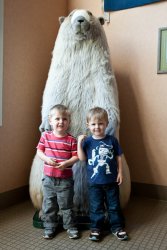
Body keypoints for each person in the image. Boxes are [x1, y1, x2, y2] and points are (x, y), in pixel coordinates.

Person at [77, 107, 128, 241]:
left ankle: (117, 227)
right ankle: (96, 228)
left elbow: (118, 157)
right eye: (93, 124)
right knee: (96, 207)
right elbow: (82, 158)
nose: (97, 127)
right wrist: (79, 143)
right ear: (88, 125)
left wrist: (120, 172)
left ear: (106, 123)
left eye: (100, 123)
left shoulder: (112, 140)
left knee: (114, 206)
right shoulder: (87, 142)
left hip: (111, 181)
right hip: (94, 182)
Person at [37, 104, 79, 240]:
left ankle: (71, 226)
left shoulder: (71, 140)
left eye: (64, 119)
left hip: (65, 180)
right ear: (50, 120)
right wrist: (47, 159)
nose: (61, 122)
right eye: (57, 119)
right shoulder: (46, 136)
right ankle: (50, 226)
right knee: (49, 204)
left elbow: (76, 156)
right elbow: (39, 151)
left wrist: (66, 163)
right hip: (48, 179)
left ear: (69, 121)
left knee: (67, 205)